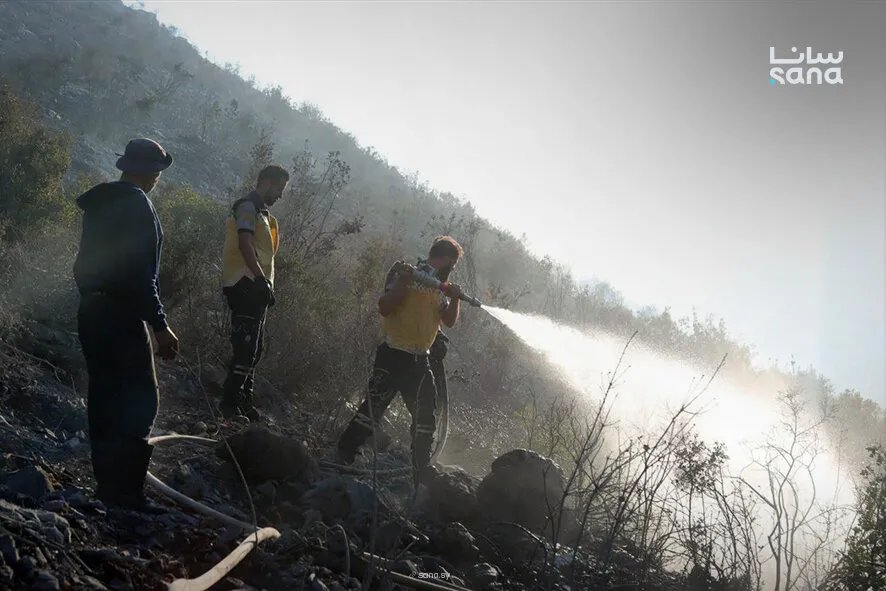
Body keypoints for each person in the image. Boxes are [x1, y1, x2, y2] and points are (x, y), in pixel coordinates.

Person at [73, 138, 179, 511]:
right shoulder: (138, 204)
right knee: (141, 402)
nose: (157, 179)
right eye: (157, 172)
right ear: (150, 173)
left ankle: (108, 489)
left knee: (103, 399)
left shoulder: (101, 201)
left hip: (91, 312)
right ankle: (128, 494)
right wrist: (160, 326)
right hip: (121, 315)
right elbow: (140, 274)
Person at [337, 236, 465, 485]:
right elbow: (385, 307)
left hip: (420, 361)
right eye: (453, 263)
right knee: (372, 409)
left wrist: (456, 298)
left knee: (426, 418)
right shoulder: (405, 273)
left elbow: (447, 321)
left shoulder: (440, 287)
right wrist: (403, 283)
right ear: (447, 259)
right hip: (394, 353)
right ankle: (344, 454)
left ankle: (420, 471)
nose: (451, 269)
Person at [219, 165, 289, 420]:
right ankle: (229, 404)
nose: (280, 195)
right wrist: (260, 279)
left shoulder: (264, 215)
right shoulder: (247, 207)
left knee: (254, 348)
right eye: (278, 188)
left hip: (257, 285)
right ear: (265, 182)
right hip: (244, 283)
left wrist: (265, 283)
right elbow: (244, 244)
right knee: (246, 346)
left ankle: (243, 401)